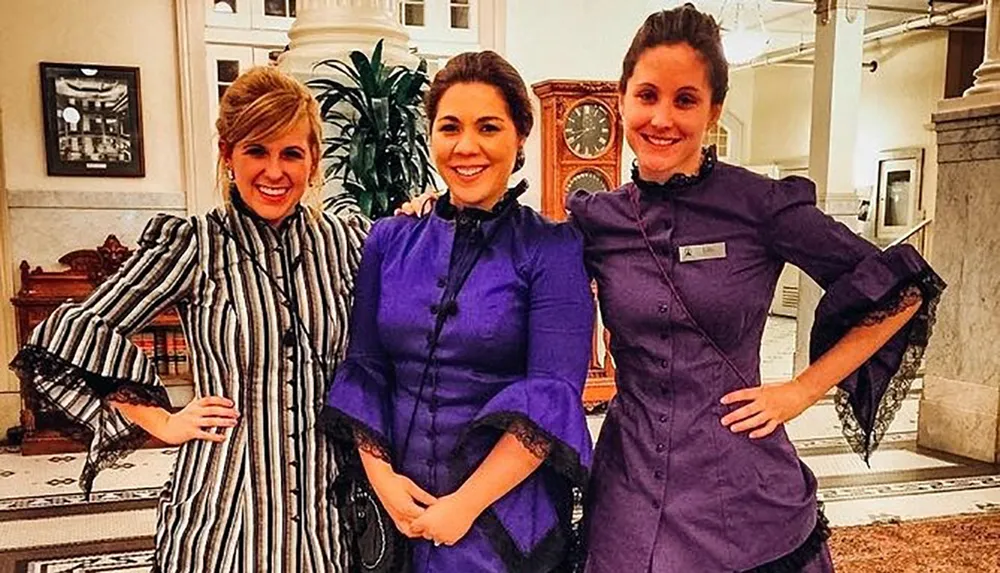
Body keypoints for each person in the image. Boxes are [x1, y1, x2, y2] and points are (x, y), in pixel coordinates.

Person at [568, 5, 946, 572]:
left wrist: (801, 390)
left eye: (685, 100)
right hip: (629, 490)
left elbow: (903, 290)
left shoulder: (761, 206)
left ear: (714, 110)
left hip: (740, 493)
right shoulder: (597, 218)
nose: (662, 118)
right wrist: (435, 216)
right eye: (647, 96)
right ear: (622, 99)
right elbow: (515, 256)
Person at [10, 66, 368, 572]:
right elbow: (73, 331)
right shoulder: (197, 244)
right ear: (228, 156)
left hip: (325, 507)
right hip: (228, 507)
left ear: (313, 161)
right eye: (256, 151)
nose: (274, 171)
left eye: (291, 152)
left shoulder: (348, 242)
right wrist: (165, 421)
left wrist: (424, 213)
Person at [322, 51, 595, 573]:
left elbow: (554, 392)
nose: (466, 146)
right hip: (397, 510)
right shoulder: (390, 239)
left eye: (488, 127)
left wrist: (463, 507)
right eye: (450, 127)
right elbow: (366, 367)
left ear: (519, 139)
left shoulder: (551, 248)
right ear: (432, 138)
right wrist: (386, 485)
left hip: (504, 521)